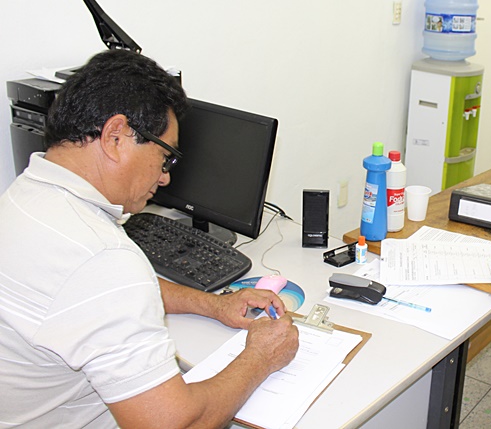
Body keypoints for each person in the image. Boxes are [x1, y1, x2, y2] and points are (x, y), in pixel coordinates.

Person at [0, 49, 300, 427]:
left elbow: (95, 296)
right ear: (116, 137)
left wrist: (213, 305)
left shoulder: (25, 197)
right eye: (165, 157)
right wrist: (261, 357)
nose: (165, 177)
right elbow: (175, 424)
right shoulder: (101, 259)